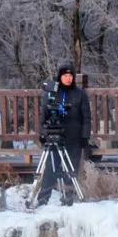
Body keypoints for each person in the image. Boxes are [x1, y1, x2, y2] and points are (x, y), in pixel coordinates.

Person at [37, 63, 91, 206]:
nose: (67, 78)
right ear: (60, 77)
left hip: (74, 137)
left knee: (71, 168)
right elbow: (44, 115)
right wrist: (43, 133)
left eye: (70, 75)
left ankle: (68, 198)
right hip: (54, 136)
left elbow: (86, 117)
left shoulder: (80, 94)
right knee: (50, 168)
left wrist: (85, 136)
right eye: (65, 75)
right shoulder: (52, 93)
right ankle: (43, 199)